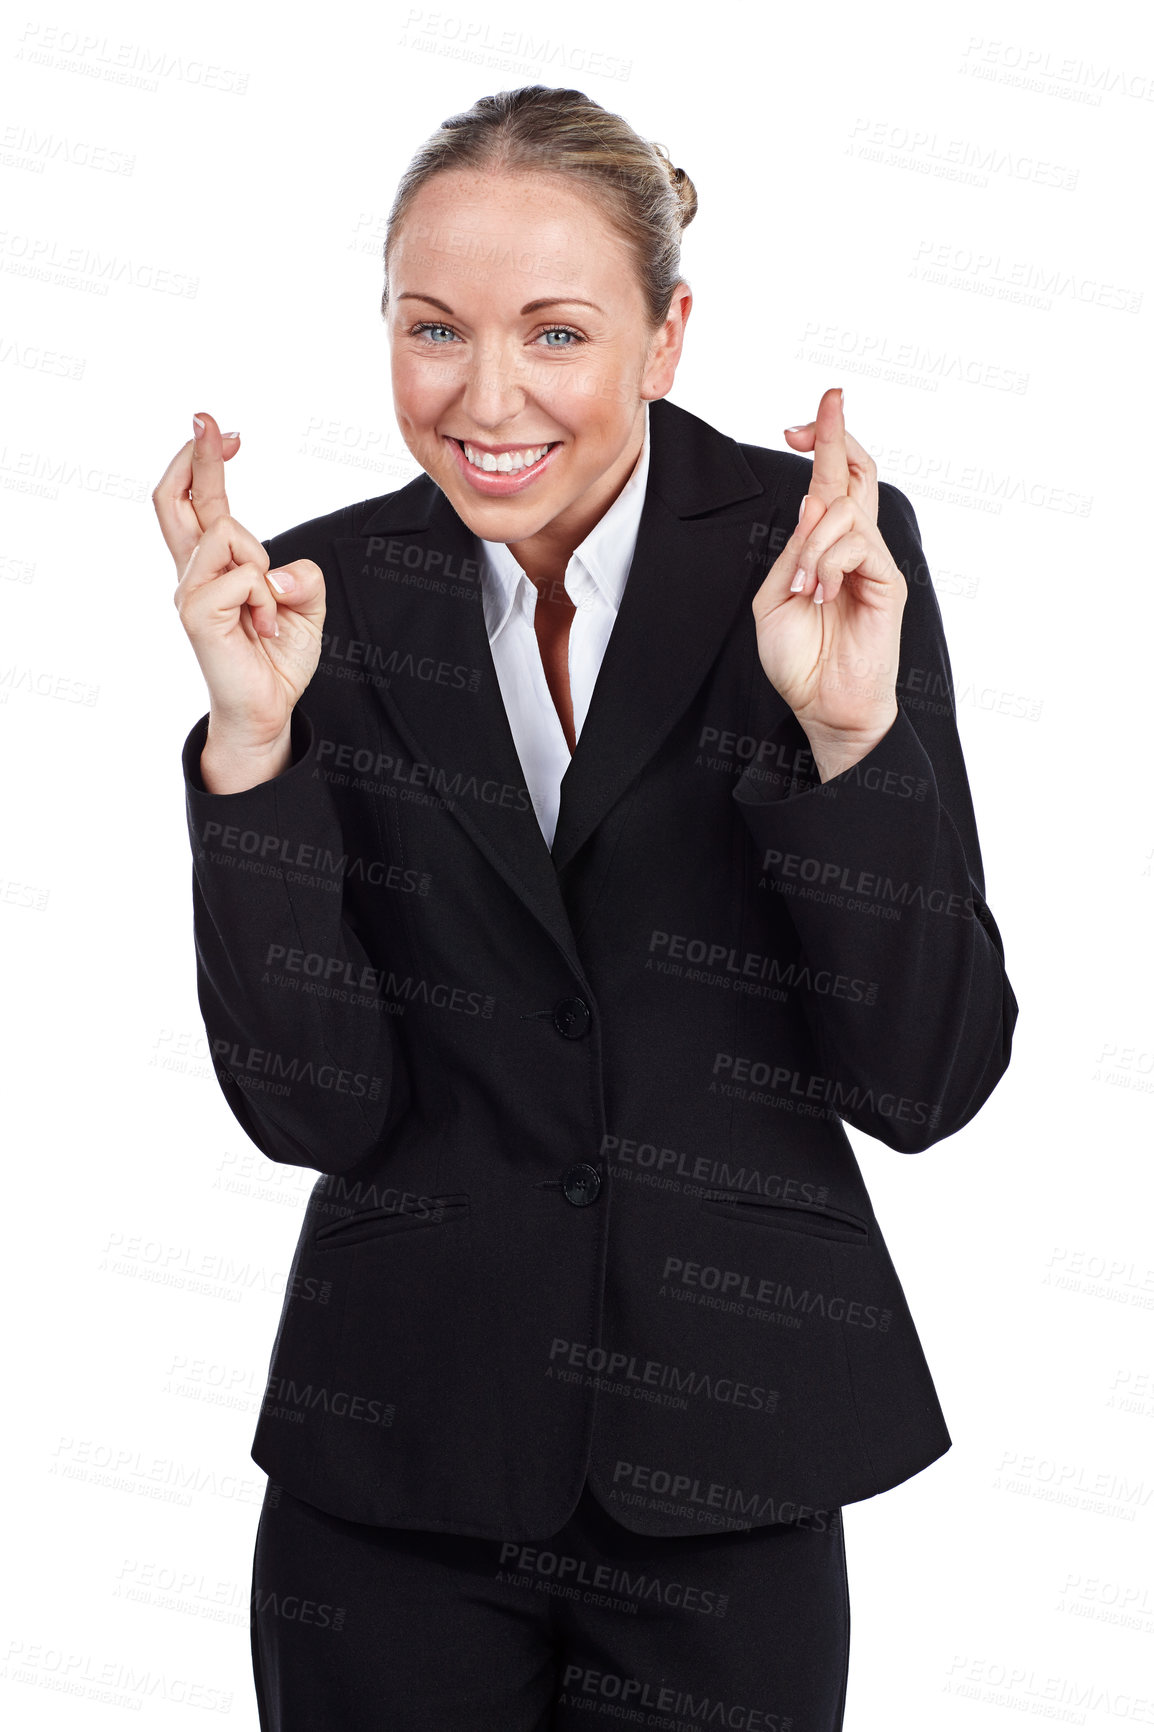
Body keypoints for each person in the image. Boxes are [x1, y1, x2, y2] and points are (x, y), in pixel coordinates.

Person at [153, 83, 1018, 1732]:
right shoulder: (319, 597)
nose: (487, 397)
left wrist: (849, 738)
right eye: (432, 330)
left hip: (730, 1453)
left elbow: (924, 1079)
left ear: (665, 335)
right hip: (394, 1450)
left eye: (556, 333)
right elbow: (310, 1106)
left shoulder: (816, 556)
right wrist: (253, 748)